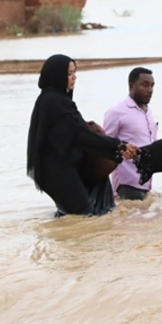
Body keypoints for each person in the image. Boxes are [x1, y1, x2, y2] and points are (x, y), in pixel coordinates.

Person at [27, 54, 138, 217]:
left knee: (73, 219)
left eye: (74, 72)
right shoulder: (54, 102)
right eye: (69, 73)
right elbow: (80, 136)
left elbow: (74, 132)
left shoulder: (53, 99)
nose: (74, 77)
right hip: (58, 173)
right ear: (57, 76)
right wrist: (118, 145)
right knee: (82, 215)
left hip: (59, 170)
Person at [103, 67, 162, 201]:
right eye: (145, 85)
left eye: (152, 85)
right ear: (131, 86)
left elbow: (153, 147)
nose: (150, 90)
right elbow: (104, 145)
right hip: (126, 184)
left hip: (146, 183)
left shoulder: (148, 112)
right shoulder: (116, 112)